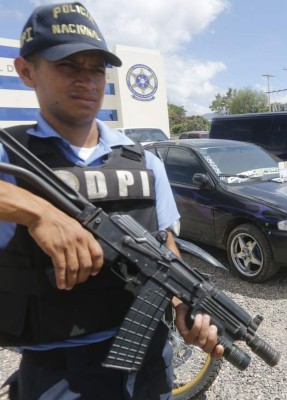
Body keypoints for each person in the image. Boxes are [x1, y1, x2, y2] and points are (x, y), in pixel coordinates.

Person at [0, 3, 223, 399]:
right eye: (68, 65)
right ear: (26, 71)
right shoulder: (10, 156)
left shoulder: (145, 162)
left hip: (150, 363)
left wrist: (185, 303)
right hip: (58, 371)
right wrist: (37, 212)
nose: (87, 81)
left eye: (96, 69)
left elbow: (164, 246)